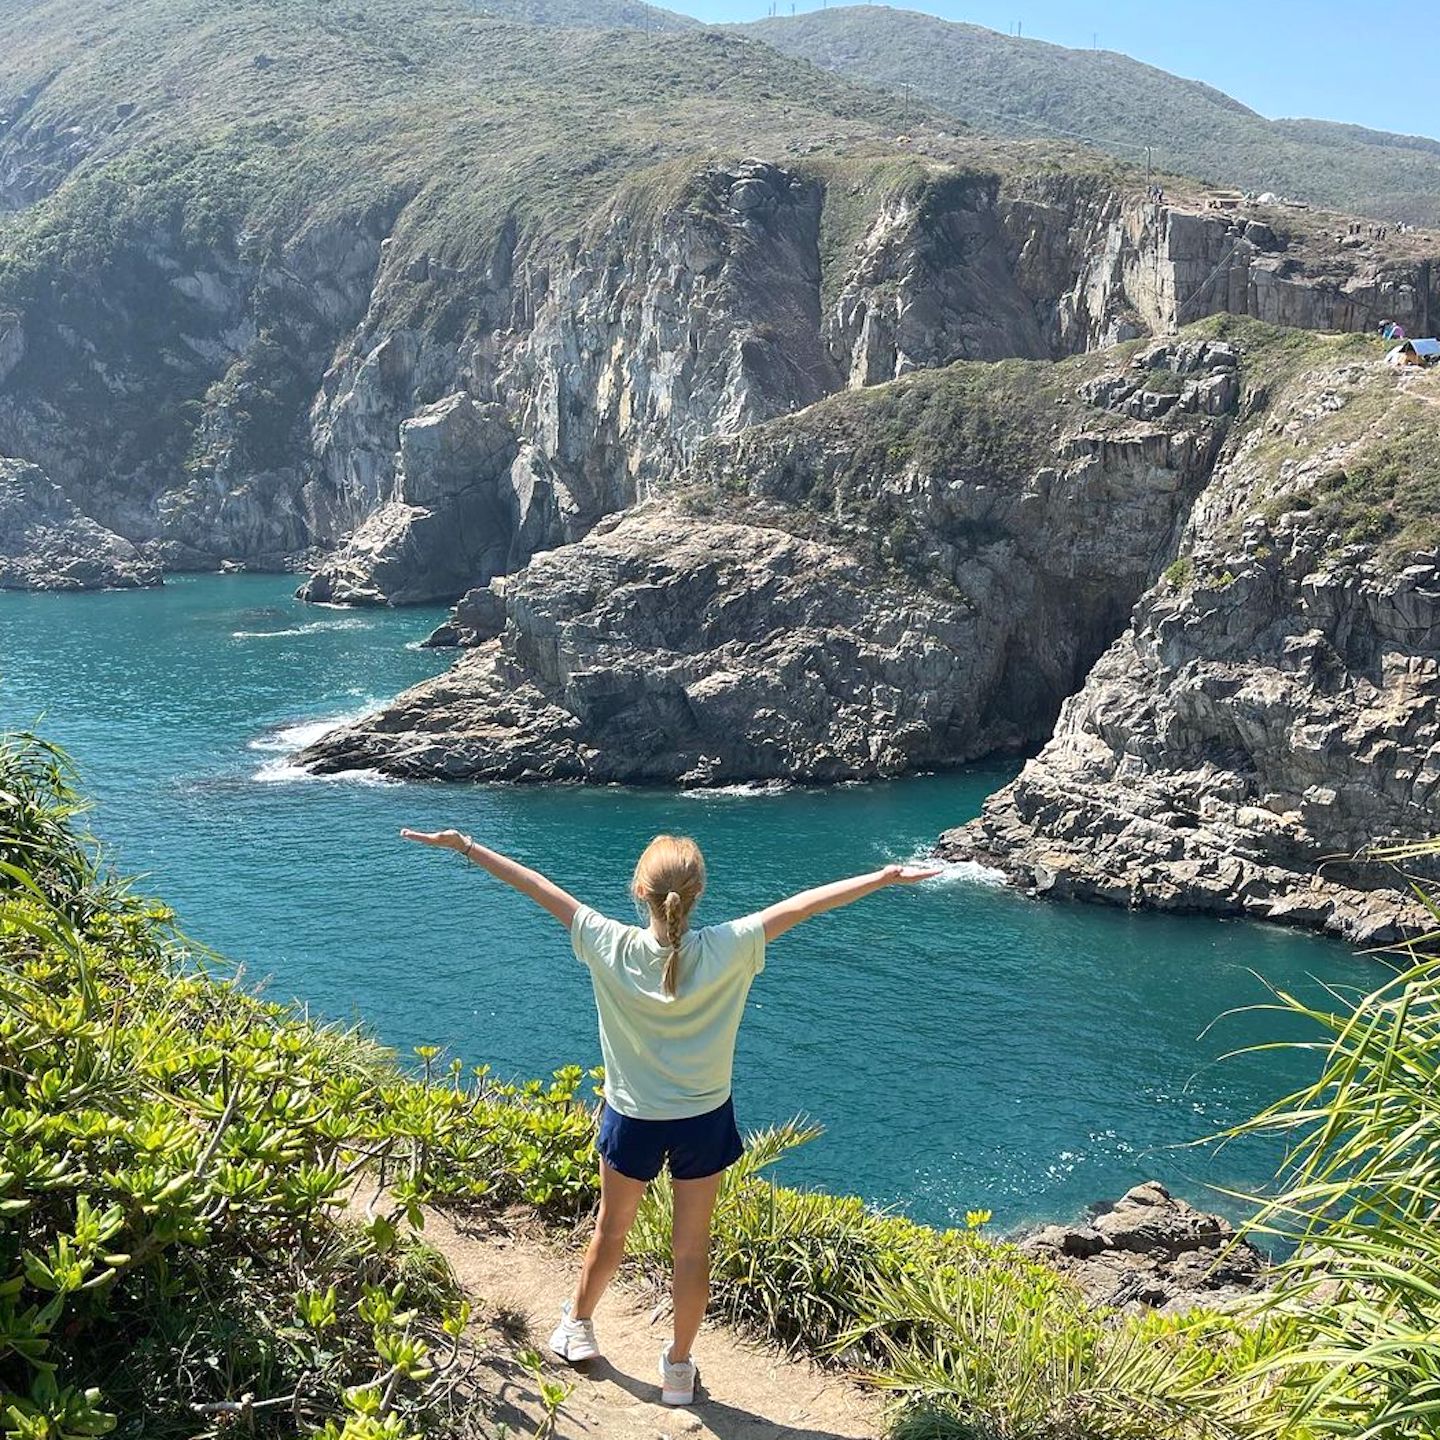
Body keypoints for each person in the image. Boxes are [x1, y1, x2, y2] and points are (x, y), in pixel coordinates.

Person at [400, 826, 939, 1406]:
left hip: (631, 1117)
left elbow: (535, 885)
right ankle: (679, 1369)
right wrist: (883, 878)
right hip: (705, 1119)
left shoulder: (609, 944)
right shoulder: (735, 945)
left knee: (611, 1230)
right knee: (691, 1249)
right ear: (699, 891)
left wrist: (467, 847)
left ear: (640, 892)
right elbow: (810, 902)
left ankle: (577, 1326)